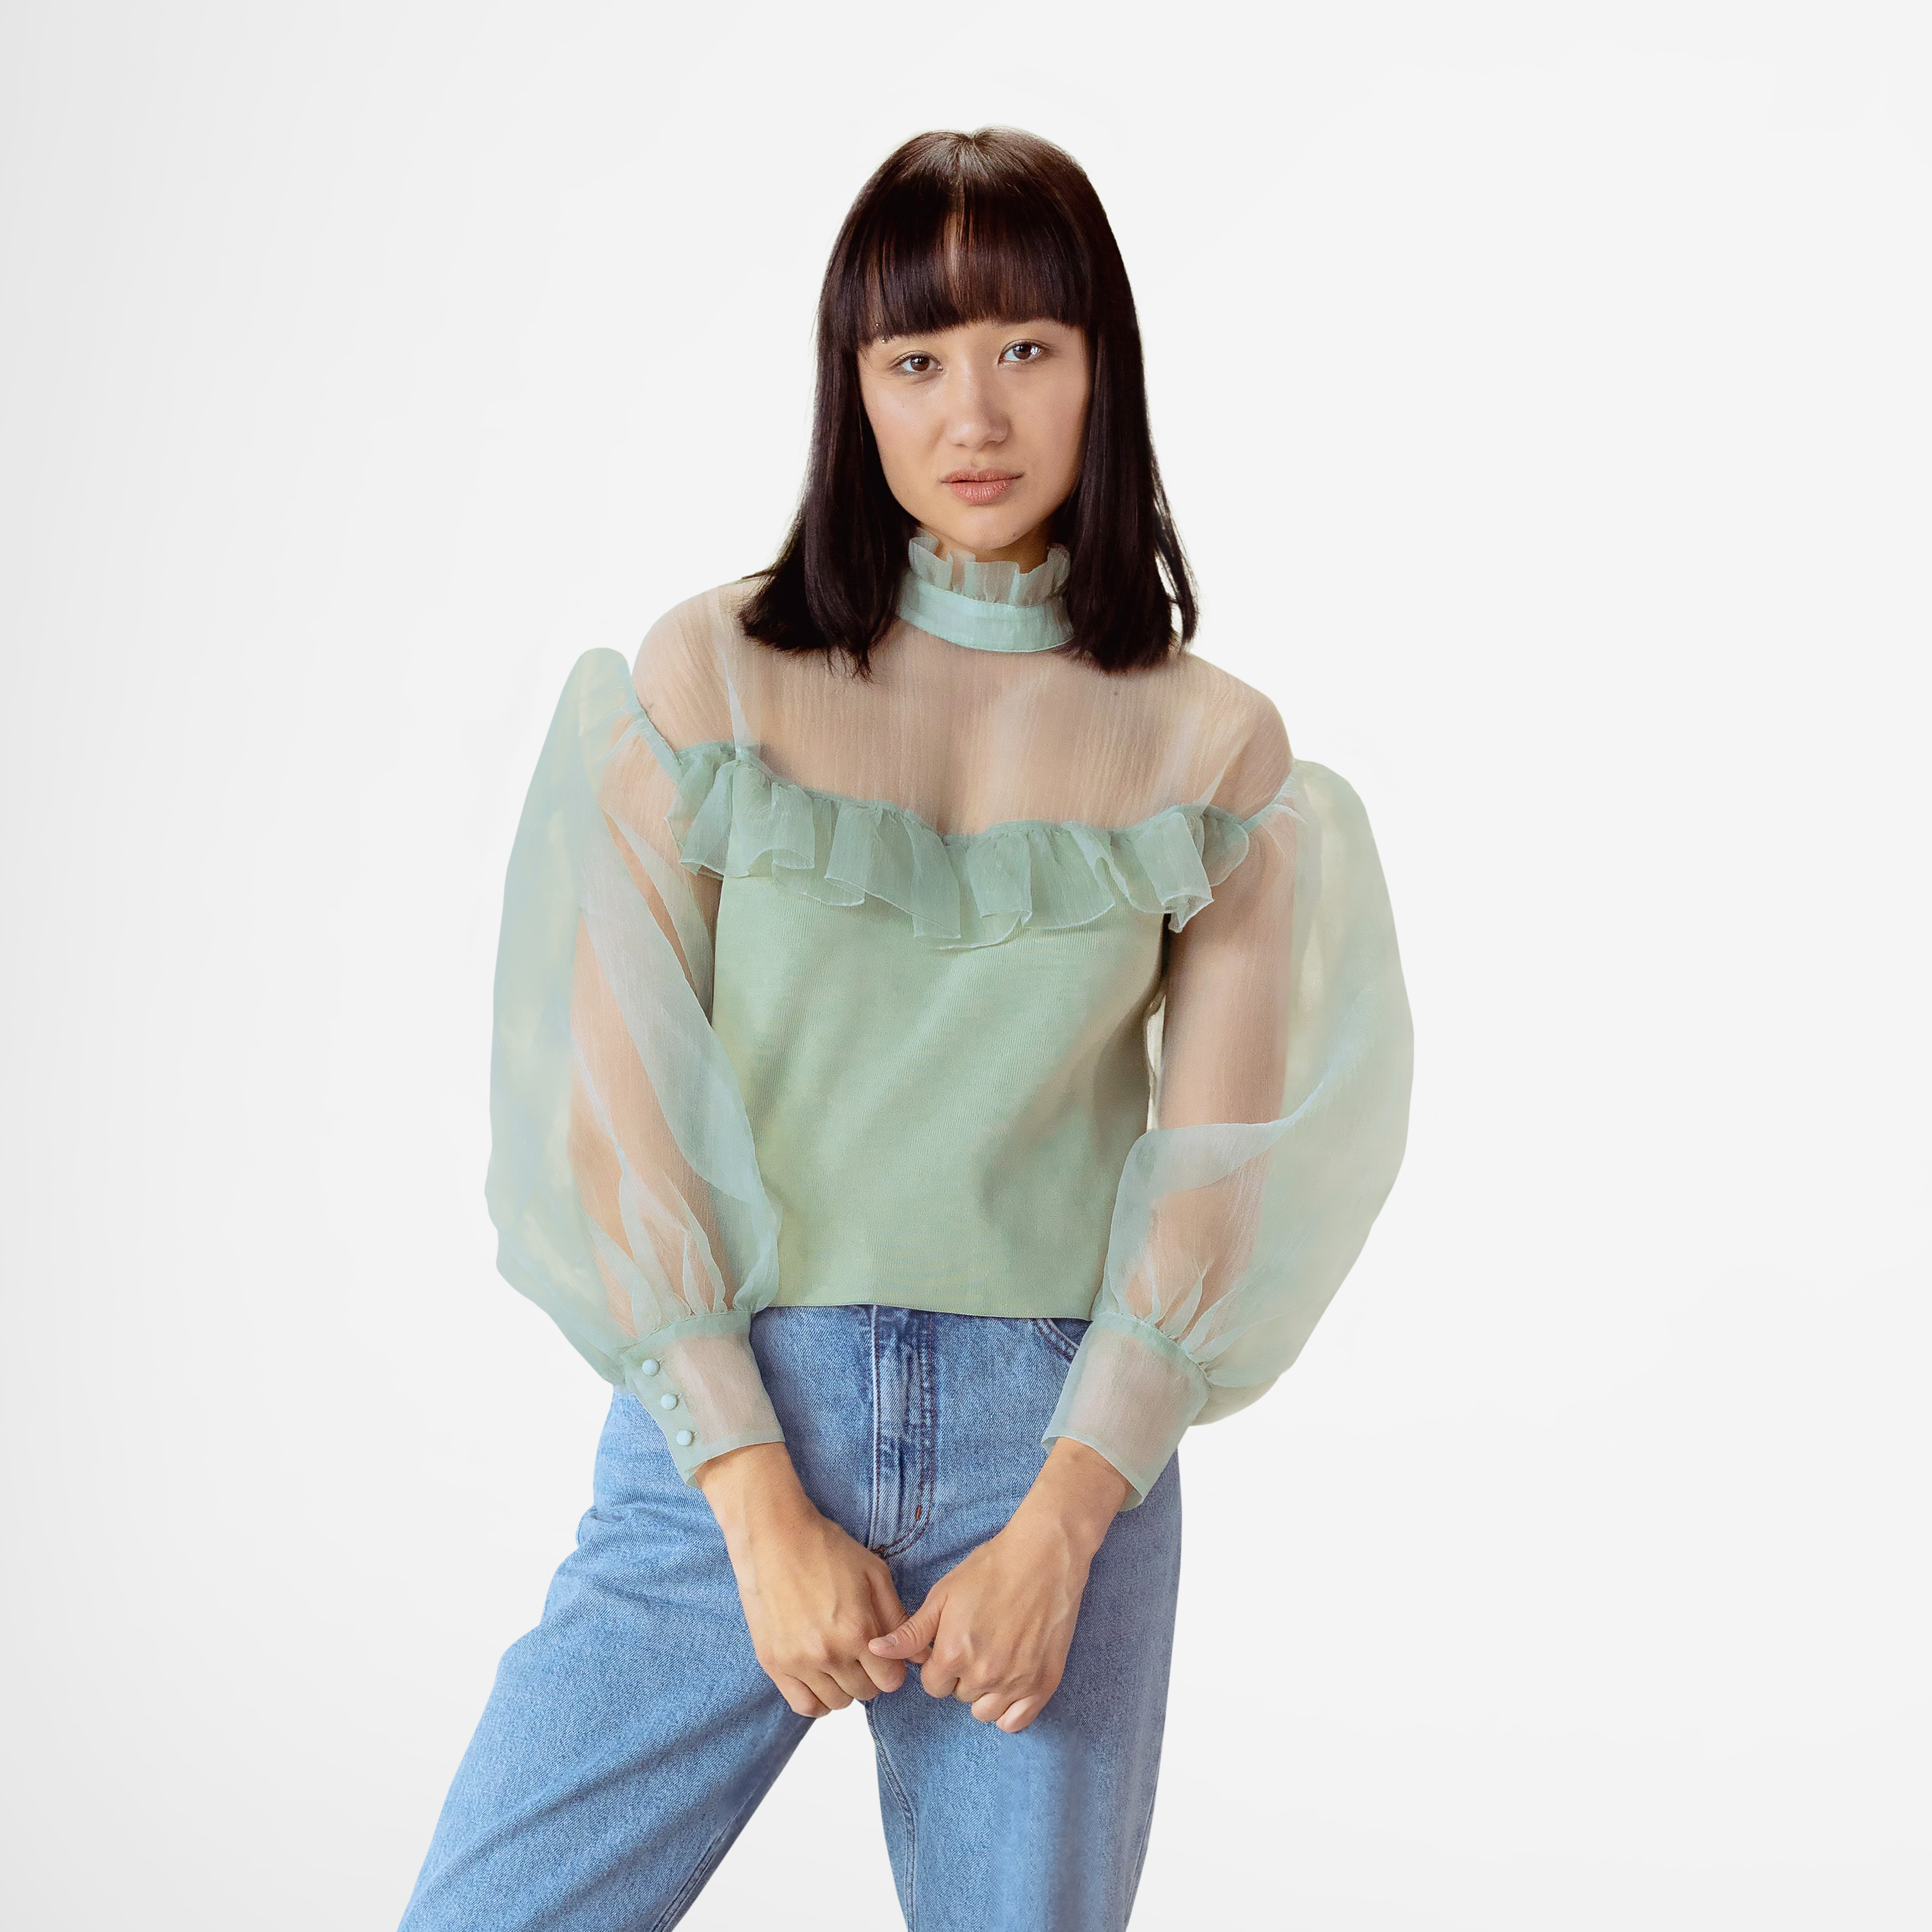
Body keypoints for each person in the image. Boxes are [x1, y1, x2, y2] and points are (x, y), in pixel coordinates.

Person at [397, 125, 1414, 1932]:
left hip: (1062, 1445)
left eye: (1026, 346)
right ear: (851, 384)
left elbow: (1214, 1182)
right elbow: (619, 1113)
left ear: (1101, 368)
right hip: (733, 1418)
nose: (974, 412)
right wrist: (753, 1498)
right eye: (915, 357)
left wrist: (1065, 1523)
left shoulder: (1213, 748)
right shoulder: (706, 679)